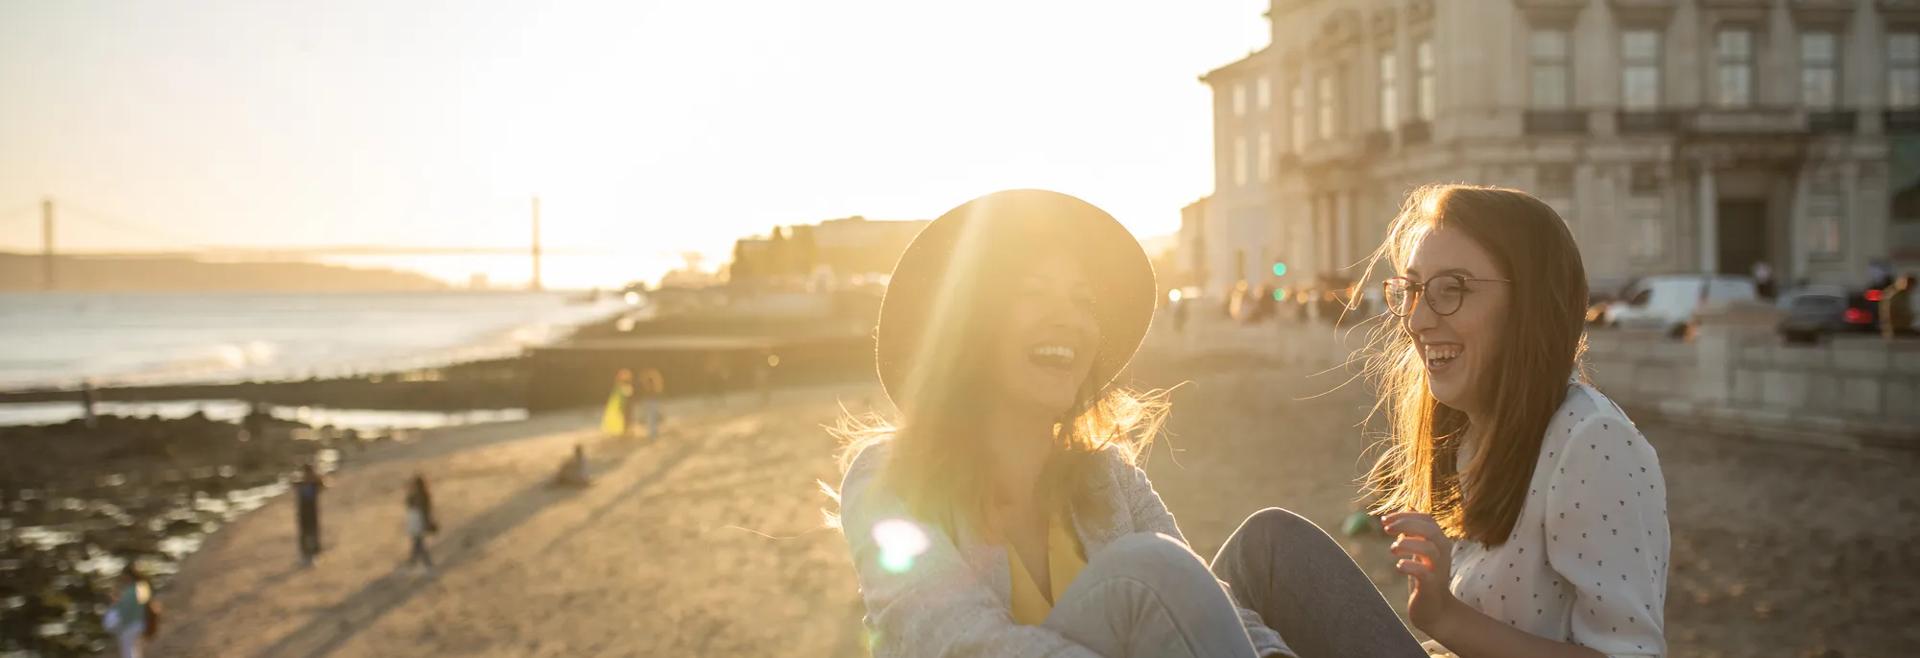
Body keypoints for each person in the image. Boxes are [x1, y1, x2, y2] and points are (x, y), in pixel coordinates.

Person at [832, 189, 1383, 658]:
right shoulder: (892, 478)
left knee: (1273, 541)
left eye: (1083, 301)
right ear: (969, 326)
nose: (1068, 317)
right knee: (1147, 571)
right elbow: (958, 641)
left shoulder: (1107, 476)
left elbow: (1219, 605)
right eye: (1032, 293)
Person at [1361, 185, 1670, 657]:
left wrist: (1447, 618)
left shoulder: (1591, 441)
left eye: (1451, 289)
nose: (1417, 320)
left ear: (1529, 303)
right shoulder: (1470, 436)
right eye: (1412, 290)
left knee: (1271, 550)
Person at [103, 562, 153, 658]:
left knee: (129, 652)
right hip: (140, 623)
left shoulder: (131, 590)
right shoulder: (142, 587)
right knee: (136, 651)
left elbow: (126, 609)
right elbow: (144, 605)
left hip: (130, 625)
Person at [294, 464, 326, 566]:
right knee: (304, 535)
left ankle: (314, 554)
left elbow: (325, 485)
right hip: (303, 514)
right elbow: (292, 484)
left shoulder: (314, 484)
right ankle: (305, 555)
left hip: (312, 514)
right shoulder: (301, 484)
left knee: (313, 534)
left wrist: (316, 477)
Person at [405, 473, 436, 571]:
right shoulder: (423, 495)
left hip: (416, 519)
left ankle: (420, 562)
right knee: (417, 541)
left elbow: (409, 503)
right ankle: (416, 561)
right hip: (417, 518)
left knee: (418, 541)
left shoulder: (418, 496)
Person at [602, 369, 635, 437]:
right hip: (622, 406)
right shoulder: (619, 387)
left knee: (627, 418)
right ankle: (625, 431)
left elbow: (628, 395)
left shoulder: (622, 386)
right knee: (625, 419)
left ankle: (626, 431)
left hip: (625, 406)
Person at [1883, 272, 1916, 339]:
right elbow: (1891, 312)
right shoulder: (1895, 295)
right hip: (1898, 327)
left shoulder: (1905, 295)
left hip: (1903, 326)